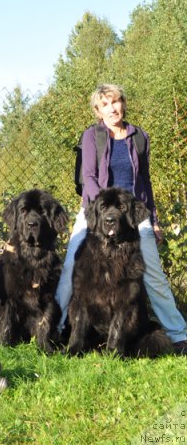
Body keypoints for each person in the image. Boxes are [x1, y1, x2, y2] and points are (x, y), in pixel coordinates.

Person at [55, 84, 187, 355]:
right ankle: (56, 330)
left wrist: (155, 219)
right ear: (97, 110)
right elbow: (89, 177)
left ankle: (178, 334)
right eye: (105, 105)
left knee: (153, 273)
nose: (112, 108)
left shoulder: (140, 137)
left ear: (123, 104)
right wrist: (101, 212)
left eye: (116, 102)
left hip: (133, 212)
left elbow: (145, 182)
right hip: (97, 209)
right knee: (72, 267)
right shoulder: (92, 136)